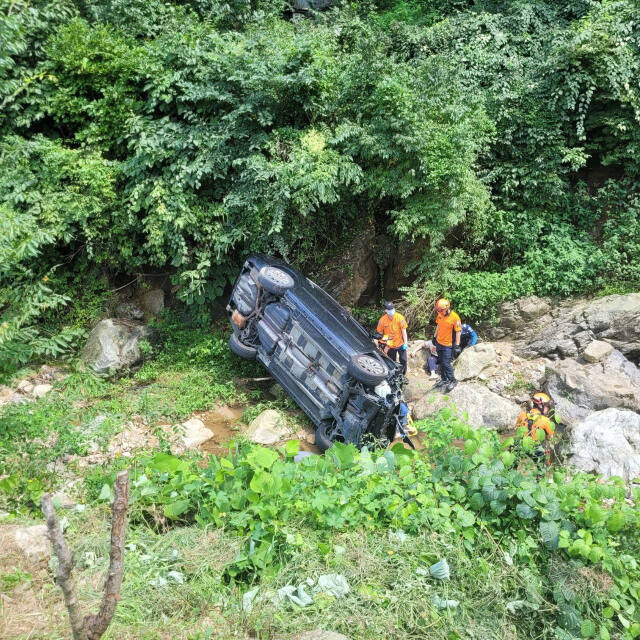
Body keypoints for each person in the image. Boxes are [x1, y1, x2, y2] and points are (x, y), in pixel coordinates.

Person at [433, 298, 462, 392]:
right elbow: (438, 325)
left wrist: (457, 346)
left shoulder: (455, 317)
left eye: (440, 310)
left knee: (446, 363)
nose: (439, 312)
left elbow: (458, 332)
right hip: (439, 342)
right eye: (438, 310)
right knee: (441, 362)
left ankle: (452, 380)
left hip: (448, 344)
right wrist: (434, 337)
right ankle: (444, 379)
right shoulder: (440, 314)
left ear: (446, 308)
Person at [376, 301, 408, 375]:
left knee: (404, 360)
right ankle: (394, 375)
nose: (391, 310)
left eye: (392, 308)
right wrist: (384, 342)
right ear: (386, 311)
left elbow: (404, 332)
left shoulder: (400, 317)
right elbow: (379, 334)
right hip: (390, 344)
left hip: (400, 343)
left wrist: (406, 343)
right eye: (389, 309)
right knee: (392, 361)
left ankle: (403, 374)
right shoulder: (382, 320)